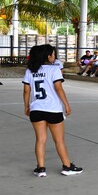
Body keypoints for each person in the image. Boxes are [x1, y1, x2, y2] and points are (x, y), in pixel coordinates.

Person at [23, 44, 82, 177]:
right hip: (53, 109)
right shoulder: (54, 70)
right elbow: (58, 88)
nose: (54, 57)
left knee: (40, 140)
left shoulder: (30, 71)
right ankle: (67, 166)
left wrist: (26, 106)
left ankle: (41, 168)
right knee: (59, 141)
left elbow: (26, 90)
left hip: (36, 109)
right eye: (53, 54)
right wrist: (66, 104)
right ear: (48, 56)